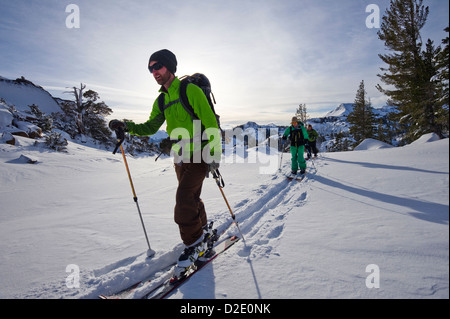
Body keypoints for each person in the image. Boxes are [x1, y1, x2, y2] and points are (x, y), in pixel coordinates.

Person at [109, 49, 221, 273]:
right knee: (192, 197)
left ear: (169, 66)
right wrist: (126, 126)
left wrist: (214, 156)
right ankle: (203, 231)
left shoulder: (190, 91)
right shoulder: (161, 100)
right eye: (150, 68)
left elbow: (210, 124)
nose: (154, 72)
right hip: (180, 156)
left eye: (157, 66)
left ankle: (194, 244)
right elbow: (150, 127)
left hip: (199, 154)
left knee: (183, 199)